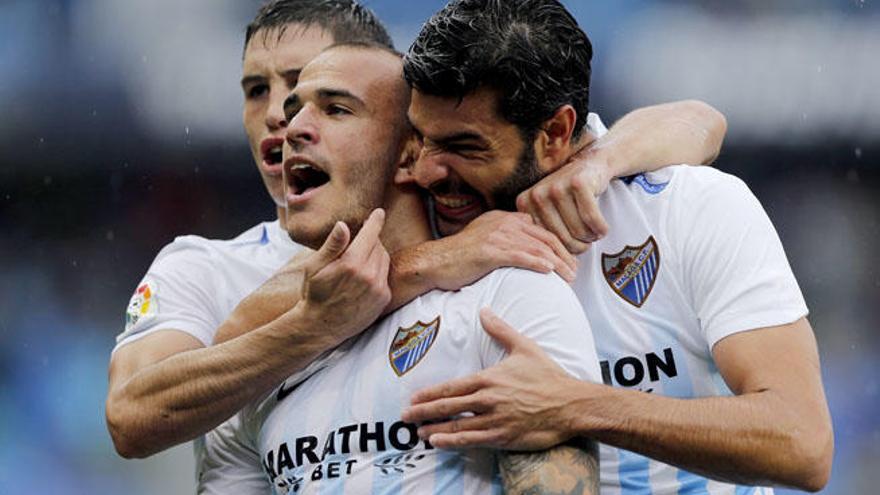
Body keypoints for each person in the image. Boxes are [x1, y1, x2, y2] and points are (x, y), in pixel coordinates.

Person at [106, 0, 726, 462]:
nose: (279, 114)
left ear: (406, 138)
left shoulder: (475, 228)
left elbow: (698, 119)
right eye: (257, 90)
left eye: (317, 94)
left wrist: (598, 164)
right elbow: (132, 418)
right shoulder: (203, 265)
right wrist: (423, 264)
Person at [397, 0, 833, 493]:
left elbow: (802, 442)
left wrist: (579, 405)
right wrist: (431, 262)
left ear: (556, 133)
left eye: (464, 146)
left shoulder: (686, 209)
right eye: (420, 138)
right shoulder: (415, 212)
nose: (429, 169)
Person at [200, 41, 602, 494]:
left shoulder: (507, 296)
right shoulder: (268, 359)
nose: (291, 128)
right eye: (295, 112)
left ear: (411, 155)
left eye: (335, 110)